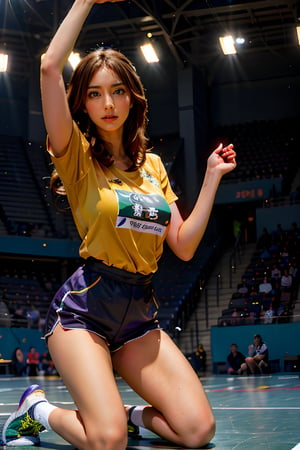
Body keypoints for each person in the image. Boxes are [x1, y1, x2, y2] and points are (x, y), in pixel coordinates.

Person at [1, 1, 236, 448]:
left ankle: (128, 415)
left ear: (133, 96)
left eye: (117, 91)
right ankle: (37, 411)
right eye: (94, 93)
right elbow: (50, 67)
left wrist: (210, 178)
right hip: (85, 312)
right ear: (83, 104)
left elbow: (184, 245)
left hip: (139, 314)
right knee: (107, 441)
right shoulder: (76, 156)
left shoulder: (153, 167)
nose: (107, 103)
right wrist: (85, 1)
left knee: (197, 430)